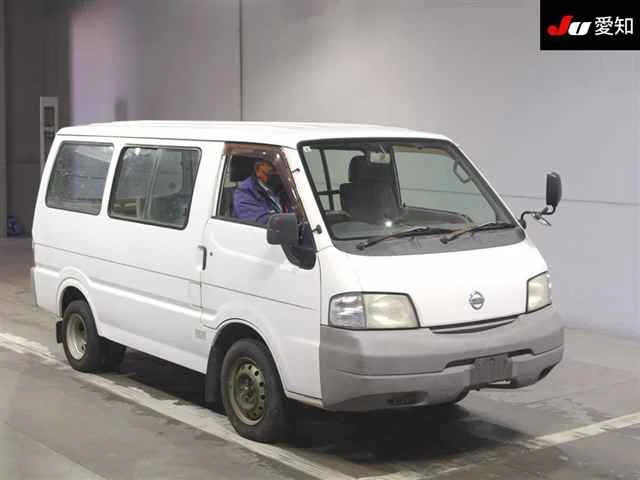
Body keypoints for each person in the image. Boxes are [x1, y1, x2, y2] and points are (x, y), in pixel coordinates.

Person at [232, 159, 291, 225]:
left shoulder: (282, 188)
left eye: (279, 170)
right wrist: (289, 220)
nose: (276, 174)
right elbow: (259, 222)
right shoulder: (244, 192)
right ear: (258, 171)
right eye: (272, 171)